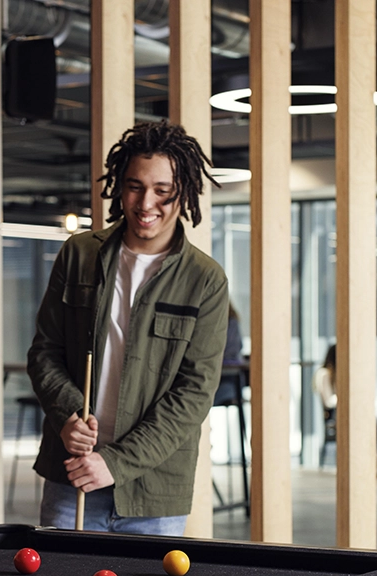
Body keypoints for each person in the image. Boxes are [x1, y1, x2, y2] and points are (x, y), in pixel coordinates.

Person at [27, 120, 230, 534]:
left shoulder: (205, 280)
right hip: (72, 477)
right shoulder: (79, 255)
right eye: (135, 186)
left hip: (153, 495)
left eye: (162, 190)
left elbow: (193, 395)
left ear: (183, 193)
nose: (146, 203)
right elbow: (45, 352)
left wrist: (115, 463)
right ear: (120, 186)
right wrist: (67, 415)